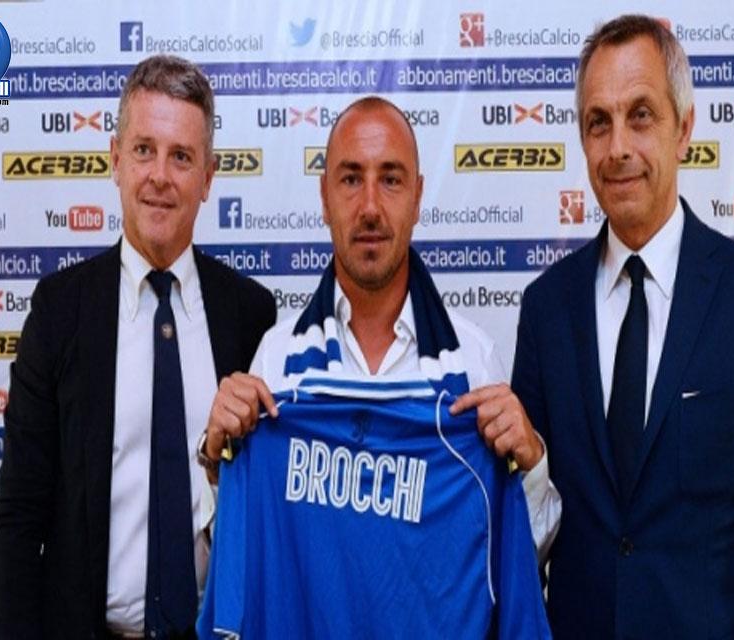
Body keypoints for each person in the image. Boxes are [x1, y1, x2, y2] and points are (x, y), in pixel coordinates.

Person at [511, 14, 734, 638]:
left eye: (640, 116)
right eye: (598, 122)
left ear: (683, 128)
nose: (618, 148)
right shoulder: (546, 309)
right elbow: (528, 521)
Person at [0, 54, 276, 639]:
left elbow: (270, 516)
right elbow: (18, 518)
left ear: (208, 178)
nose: (160, 176)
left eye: (181, 157)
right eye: (144, 150)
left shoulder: (250, 315)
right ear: (115, 159)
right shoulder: (60, 312)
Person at [202, 95, 560, 557]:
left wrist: (531, 467)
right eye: (351, 179)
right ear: (324, 198)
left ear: (417, 197)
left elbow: (517, 556)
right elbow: (242, 552)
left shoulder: (474, 360)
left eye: (390, 179)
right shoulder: (275, 360)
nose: (370, 206)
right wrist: (219, 468)